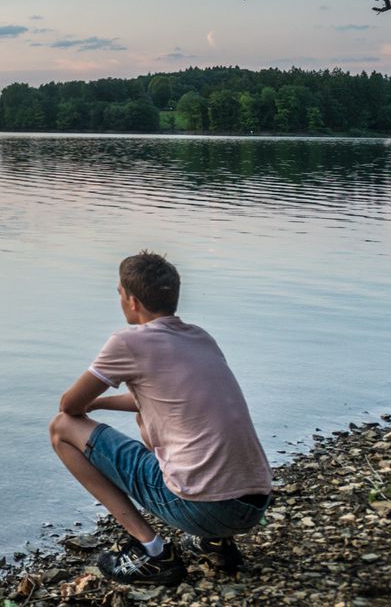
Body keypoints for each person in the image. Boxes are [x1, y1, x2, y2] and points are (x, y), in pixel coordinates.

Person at [46, 251, 272, 585]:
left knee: (61, 430)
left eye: (120, 294)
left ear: (132, 301)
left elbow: (69, 406)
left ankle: (152, 551)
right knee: (158, 425)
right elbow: (166, 402)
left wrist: (87, 406)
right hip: (253, 505)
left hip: (203, 508)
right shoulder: (199, 337)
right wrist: (102, 405)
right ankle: (215, 543)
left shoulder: (127, 342)